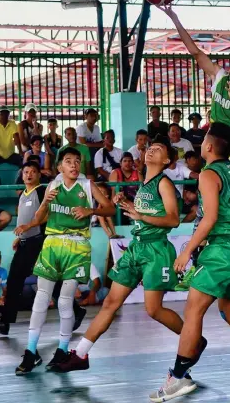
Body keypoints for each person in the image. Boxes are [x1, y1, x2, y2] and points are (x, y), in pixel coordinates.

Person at [149, 123, 230, 402]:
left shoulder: (209, 175)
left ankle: (178, 376)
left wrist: (187, 252)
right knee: (229, 309)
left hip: (223, 249)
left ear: (208, 146)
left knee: (194, 309)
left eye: (204, 140)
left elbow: (208, 219)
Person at [52, 135, 207, 373]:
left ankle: (194, 339)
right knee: (110, 303)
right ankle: (80, 354)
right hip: (136, 248)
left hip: (156, 250)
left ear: (166, 160)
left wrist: (140, 215)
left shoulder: (163, 183)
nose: (151, 150)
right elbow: (142, 211)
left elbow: (173, 220)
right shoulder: (144, 184)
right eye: (150, 148)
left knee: (153, 310)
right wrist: (125, 202)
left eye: (157, 149)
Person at [159, 4, 230, 285]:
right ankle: (193, 267)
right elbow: (196, 52)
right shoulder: (221, 77)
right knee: (206, 206)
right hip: (220, 149)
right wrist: (175, 17)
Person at [14, 147, 115, 375]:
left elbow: (109, 208)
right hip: (53, 244)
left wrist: (90, 210)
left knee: (64, 301)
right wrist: (31, 222)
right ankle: (31, 352)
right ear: (60, 166)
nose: (74, 165)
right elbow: (41, 215)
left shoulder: (88, 185)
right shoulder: (53, 185)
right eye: (68, 161)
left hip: (77, 246)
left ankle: (61, 350)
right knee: (41, 298)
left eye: (77, 161)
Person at [0, 161, 86, 336]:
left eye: (32, 172)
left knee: (40, 281)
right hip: (25, 242)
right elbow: (24, 220)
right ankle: (5, 322)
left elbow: (47, 216)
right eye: (25, 172)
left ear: (39, 175)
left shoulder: (41, 192)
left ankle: (76, 311)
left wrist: (28, 230)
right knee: (23, 281)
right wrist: (20, 237)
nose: (29, 174)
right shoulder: (23, 194)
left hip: (37, 243)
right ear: (22, 175)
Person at [0, 105, 23, 183]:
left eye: (7, 113)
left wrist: (20, 151)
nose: (5, 116)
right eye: (2, 114)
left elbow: (16, 137)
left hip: (11, 154)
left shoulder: (12, 123)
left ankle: (21, 182)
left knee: (22, 161)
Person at [164, 148, 199, 223]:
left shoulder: (181, 167)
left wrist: (208, 176)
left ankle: (181, 226)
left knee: (196, 209)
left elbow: (193, 175)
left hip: (180, 200)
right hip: (165, 201)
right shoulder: (162, 169)